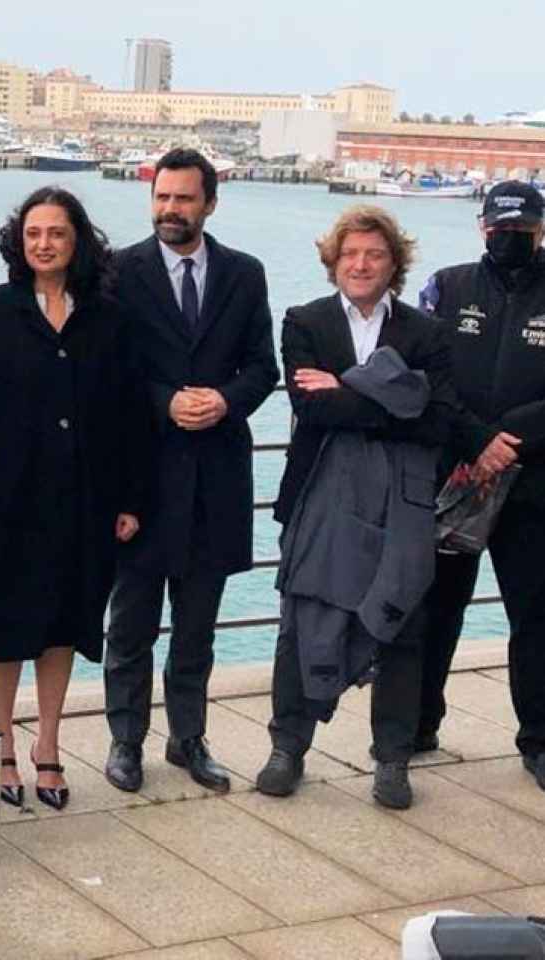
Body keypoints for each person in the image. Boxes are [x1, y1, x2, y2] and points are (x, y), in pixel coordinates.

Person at [0, 187, 148, 811]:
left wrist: (131, 499)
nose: (44, 244)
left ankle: (48, 746)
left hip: (86, 500)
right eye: (33, 233)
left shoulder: (110, 317)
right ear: (18, 241)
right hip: (5, 500)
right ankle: (4, 743)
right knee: (3, 628)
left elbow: (131, 414)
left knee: (64, 624)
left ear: (77, 240)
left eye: (56, 233)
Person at [258, 205, 455, 810]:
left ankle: (392, 760)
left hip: (403, 506)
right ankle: (288, 746)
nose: (361, 264)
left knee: (402, 626)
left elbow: (439, 420)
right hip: (320, 495)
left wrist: (348, 388)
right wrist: (396, 395)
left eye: (374, 254)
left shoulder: (427, 332)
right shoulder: (305, 322)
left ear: (394, 263)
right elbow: (315, 410)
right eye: (350, 254)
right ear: (333, 262)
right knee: (302, 622)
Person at [101, 148, 280, 795]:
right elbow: (108, 371)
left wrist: (227, 400)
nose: (169, 210)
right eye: (161, 197)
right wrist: (164, 400)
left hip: (216, 481)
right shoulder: (119, 272)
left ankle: (188, 738)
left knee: (197, 630)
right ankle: (125, 742)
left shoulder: (245, 273)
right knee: (130, 628)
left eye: (183, 198)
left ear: (209, 202)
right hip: (141, 483)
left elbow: (265, 366)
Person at [417, 181, 545, 792]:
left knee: (537, 617)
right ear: (482, 227)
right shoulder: (445, 287)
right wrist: (475, 441)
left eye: (522, 230)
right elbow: (426, 374)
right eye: (500, 229)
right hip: (459, 478)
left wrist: (511, 438)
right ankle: (418, 726)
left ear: (541, 230)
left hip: (534, 483)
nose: (509, 239)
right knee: (437, 609)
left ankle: (539, 740)